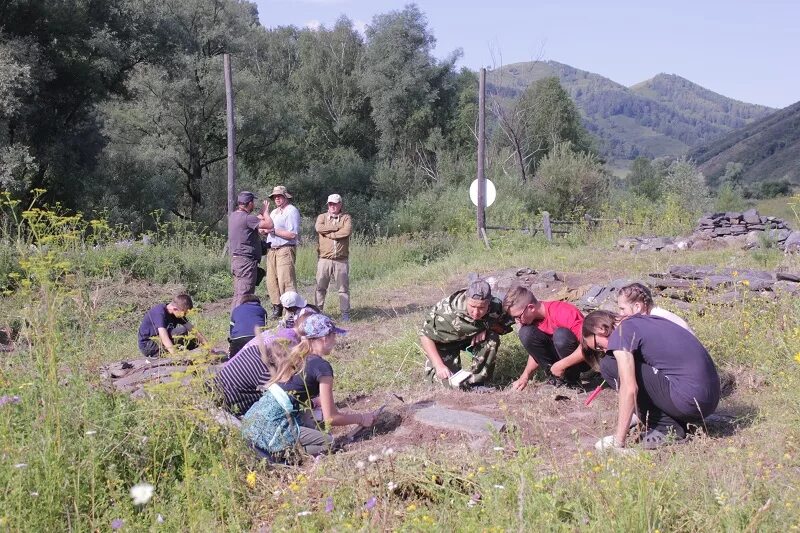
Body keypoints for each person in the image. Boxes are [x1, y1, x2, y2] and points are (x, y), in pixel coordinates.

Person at [241, 314, 379, 457]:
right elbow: (331, 418)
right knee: (329, 443)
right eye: (334, 336)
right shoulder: (322, 367)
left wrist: (312, 403)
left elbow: (290, 393)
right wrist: (362, 418)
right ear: (324, 338)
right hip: (274, 425)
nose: (335, 340)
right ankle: (277, 456)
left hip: (253, 420)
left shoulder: (298, 356)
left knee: (312, 428)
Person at [582, 310, 720, 450]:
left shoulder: (621, 334)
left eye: (598, 346)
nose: (604, 350)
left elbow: (629, 389)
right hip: (709, 399)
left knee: (609, 365)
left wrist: (619, 440)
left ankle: (664, 427)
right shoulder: (645, 320)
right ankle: (678, 421)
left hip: (689, 401)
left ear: (599, 329)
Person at [419, 280, 513, 389]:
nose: (476, 312)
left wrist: (487, 327)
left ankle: (478, 383)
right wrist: (438, 365)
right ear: (466, 299)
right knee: (447, 387)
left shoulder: (496, 306)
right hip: (445, 345)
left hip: (469, 339)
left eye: (481, 308)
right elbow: (425, 336)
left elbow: (505, 325)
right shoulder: (445, 311)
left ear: (489, 302)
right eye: (472, 306)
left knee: (491, 338)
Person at [214, 313, 311, 416]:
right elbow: (280, 403)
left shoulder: (254, 349)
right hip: (224, 410)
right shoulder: (266, 373)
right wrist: (309, 405)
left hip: (212, 391)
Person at [502, 285, 590, 391]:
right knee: (525, 333)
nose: (517, 321)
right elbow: (537, 352)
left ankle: (572, 381)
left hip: (584, 359)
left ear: (531, 308)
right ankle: (556, 379)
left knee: (560, 335)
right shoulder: (532, 320)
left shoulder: (562, 312)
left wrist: (561, 365)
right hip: (559, 362)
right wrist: (525, 376)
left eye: (518, 317)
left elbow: (589, 344)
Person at [228, 191, 273, 310]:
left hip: (237, 262)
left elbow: (254, 220)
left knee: (238, 294)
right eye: (253, 202)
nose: (254, 204)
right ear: (249, 203)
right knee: (245, 295)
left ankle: (234, 321)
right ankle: (239, 323)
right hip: (246, 263)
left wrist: (260, 214)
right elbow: (269, 224)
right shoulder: (247, 218)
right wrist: (265, 212)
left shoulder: (234, 216)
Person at [264, 185, 301, 320]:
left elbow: (292, 234)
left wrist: (273, 231)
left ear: (286, 197)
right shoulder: (274, 212)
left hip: (285, 249)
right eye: (275, 196)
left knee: (286, 280)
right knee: (271, 280)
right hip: (272, 250)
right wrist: (263, 229)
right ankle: (277, 306)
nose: (277, 198)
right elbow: (266, 228)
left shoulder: (291, 211)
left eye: (279, 196)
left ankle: (291, 310)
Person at [314, 194, 352, 321]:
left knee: (343, 289)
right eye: (330, 204)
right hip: (324, 259)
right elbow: (319, 228)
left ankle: (345, 314)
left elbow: (346, 231)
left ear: (340, 204)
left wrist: (329, 234)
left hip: (341, 260)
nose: (332, 206)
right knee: (320, 287)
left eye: (335, 204)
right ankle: (317, 312)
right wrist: (336, 228)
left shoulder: (346, 218)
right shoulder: (322, 217)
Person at [138, 294, 207, 357]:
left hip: (163, 340)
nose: (185, 315)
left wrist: (207, 346)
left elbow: (192, 329)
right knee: (182, 331)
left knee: (194, 342)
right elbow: (164, 337)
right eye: (184, 313)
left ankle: (171, 351)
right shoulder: (159, 312)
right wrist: (176, 356)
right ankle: (160, 355)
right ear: (175, 309)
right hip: (148, 345)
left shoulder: (176, 313)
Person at [616, 283, 693, 334]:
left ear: (637, 307)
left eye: (623, 309)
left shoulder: (657, 321)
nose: (621, 313)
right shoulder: (657, 316)